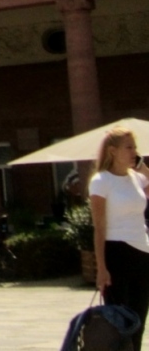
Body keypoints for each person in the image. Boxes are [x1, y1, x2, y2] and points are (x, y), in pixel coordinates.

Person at [91, 126, 149, 351]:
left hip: (142, 252)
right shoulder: (101, 181)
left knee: (138, 320)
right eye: (128, 147)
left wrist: (143, 168)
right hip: (116, 252)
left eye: (135, 147)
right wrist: (101, 267)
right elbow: (99, 227)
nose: (134, 152)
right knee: (119, 322)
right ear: (112, 151)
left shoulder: (137, 179)